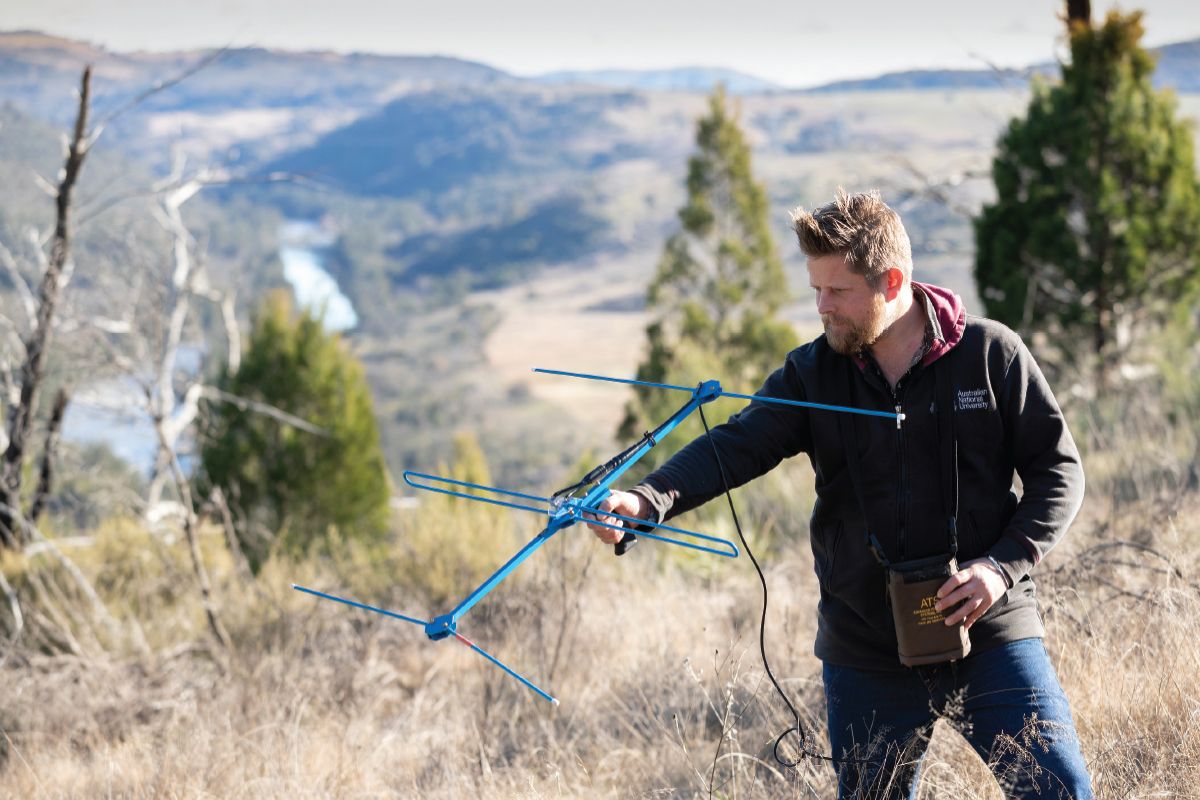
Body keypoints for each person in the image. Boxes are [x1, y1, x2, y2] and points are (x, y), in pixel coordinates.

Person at [587, 190, 1093, 799]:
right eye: (815, 291)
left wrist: (1000, 567)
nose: (823, 308)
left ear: (893, 281)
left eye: (839, 292)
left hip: (990, 629)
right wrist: (645, 501)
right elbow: (738, 444)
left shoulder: (991, 356)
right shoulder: (811, 373)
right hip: (865, 649)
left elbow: (1059, 473)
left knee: (1059, 791)